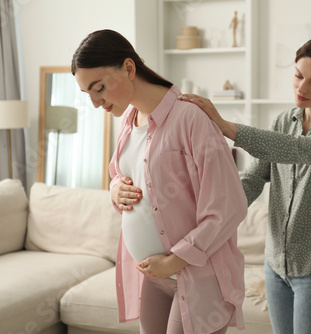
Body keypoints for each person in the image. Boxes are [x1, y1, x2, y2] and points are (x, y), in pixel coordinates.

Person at [124, 35, 311, 334]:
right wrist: (213, 216)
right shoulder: (284, 121)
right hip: (276, 266)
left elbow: (300, 151)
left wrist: (227, 127)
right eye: (298, 76)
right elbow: (253, 178)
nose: (302, 88)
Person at [71, 29, 248, 334]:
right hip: (154, 278)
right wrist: (116, 189)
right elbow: (120, 172)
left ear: (128, 68)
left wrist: (176, 261)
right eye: (88, 94)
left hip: (195, 277)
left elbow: (229, 207)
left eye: (98, 88)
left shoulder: (190, 119)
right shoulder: (129, 121)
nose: (96, 103)